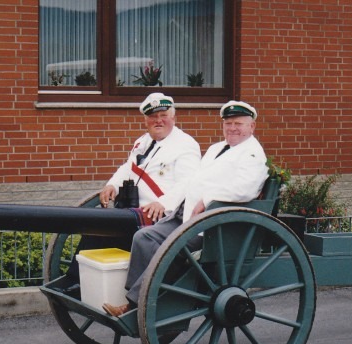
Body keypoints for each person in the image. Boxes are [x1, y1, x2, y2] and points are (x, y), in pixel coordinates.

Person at [103, 100, 269, 317]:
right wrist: (169, 203)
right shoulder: (216, 148)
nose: (232, 128)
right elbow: (192, 181)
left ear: (251, 127)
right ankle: (139, 298)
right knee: (144, 237)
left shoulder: (253, 154)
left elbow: (245, 189)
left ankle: (135, 306)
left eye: (238, 123)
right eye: (228, 124)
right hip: (187, 215)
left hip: (213, 225)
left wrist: (208, 198)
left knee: (169, 249)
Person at [100, 92, 201, 223]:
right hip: (132, 209)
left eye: (163, 115)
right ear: (146, 121)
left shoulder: (185, 144)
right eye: (153, 116)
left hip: (160, 213)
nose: (158, 121)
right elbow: (128, 168)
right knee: (96, 229)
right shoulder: (142, 142)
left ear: (173, 118)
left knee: (109, 224)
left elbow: (187, 182)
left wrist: (163, 203)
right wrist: (112, 185)